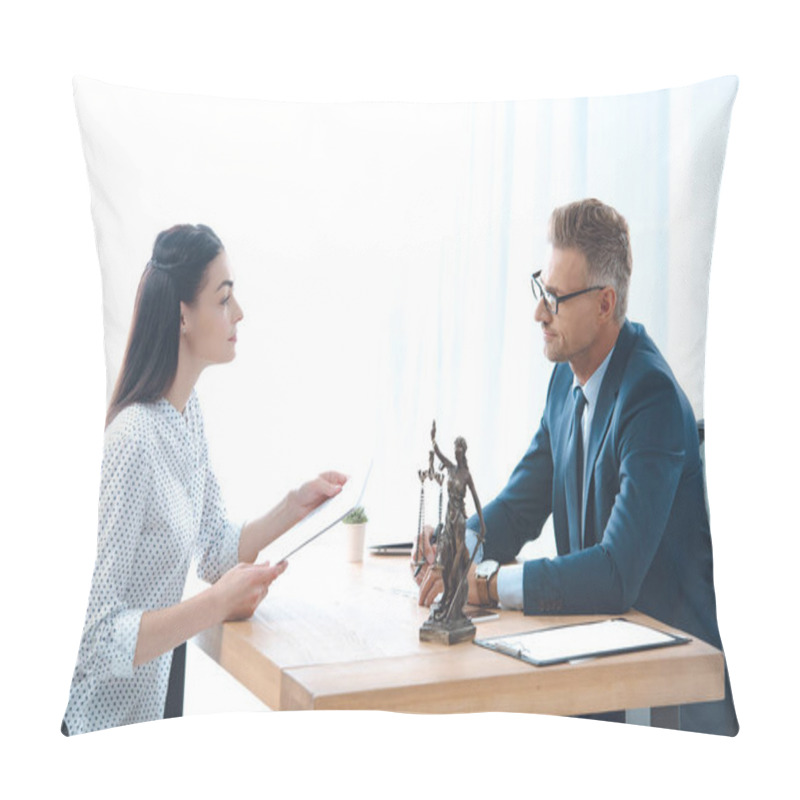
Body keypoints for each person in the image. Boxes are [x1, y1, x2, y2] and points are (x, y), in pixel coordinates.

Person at [413, 199, 737, 736]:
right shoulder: (567, 382)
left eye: (557, 299)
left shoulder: (650, 396)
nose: (540, 313)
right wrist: (456, 546)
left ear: (606, 304)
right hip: (598, 670)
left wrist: (486, 584)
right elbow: (517, 511)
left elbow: (614, 574)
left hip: (667, 699)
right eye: (542, 289)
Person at [62, 224, 346, 735]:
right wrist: (216, 603)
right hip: (98, 728)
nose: (239, 314)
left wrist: (292, 507)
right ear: (182, 316)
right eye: (224, 299)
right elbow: (96, 636)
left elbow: (215, 550)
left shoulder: (186, 417)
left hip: (150, 712)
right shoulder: (133, 442)